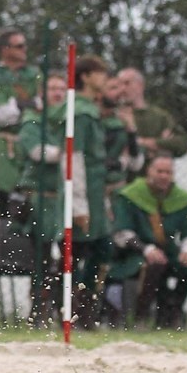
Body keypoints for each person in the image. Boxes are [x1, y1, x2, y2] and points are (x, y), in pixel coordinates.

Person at [106, 150, 187, 328]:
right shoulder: (131, 195)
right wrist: (146, 249)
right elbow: (121, 232)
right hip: (133, 253)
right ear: (149, 171)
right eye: (160, 171)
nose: (164, 176)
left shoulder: (180, 198)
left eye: (168, 172)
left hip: (168, 251)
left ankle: (173, 312)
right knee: (155, 264)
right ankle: (140, 316)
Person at [16, 72, 68, 323]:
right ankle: (39, 311)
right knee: (42, 258)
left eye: (62, 89)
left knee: (68, 256)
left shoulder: (68, 122)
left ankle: (65, 309)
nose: (58, 93)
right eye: (52, 88)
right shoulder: (32, 121)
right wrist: (72, 151)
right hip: (40, 200)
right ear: (42, 94)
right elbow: (39, 152)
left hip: (63, 199)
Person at [67, 55, 111, 329]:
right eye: (100, 73)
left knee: (102, 249)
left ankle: (87, 311)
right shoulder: (81, 112)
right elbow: (75, 159)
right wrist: (79, 205)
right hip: (83, 195)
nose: (105, 79)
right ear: (85, 76)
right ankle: (75, 312)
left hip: (96, 193)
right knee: (84, 252)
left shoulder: (91, 110)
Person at [0, 28, 40, 215]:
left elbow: (47, 105)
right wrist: (29, 104)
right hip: (6, 147)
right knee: (9, 203)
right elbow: (0, 116)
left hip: (31, 141)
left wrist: (21, 106)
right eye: (19, 46)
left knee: (34, 201)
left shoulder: (33, 74)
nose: (24, 50)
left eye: (25, 45)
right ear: (5, 50)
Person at [115, 68, 187, 175]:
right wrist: (159, 146)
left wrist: (143, 142)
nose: (122, 89)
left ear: (140, 86)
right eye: (119, 85)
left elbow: (181, 144)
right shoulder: (114, 115)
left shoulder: (159, 116)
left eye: (127, 83)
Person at [101, 74, 144, 196]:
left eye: (121, 88)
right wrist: (119, 163)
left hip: (116, 187)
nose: (120, 92)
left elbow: (135, 163)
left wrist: (131, 129)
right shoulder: (91, 118)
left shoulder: (122, 121)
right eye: (113, 88)